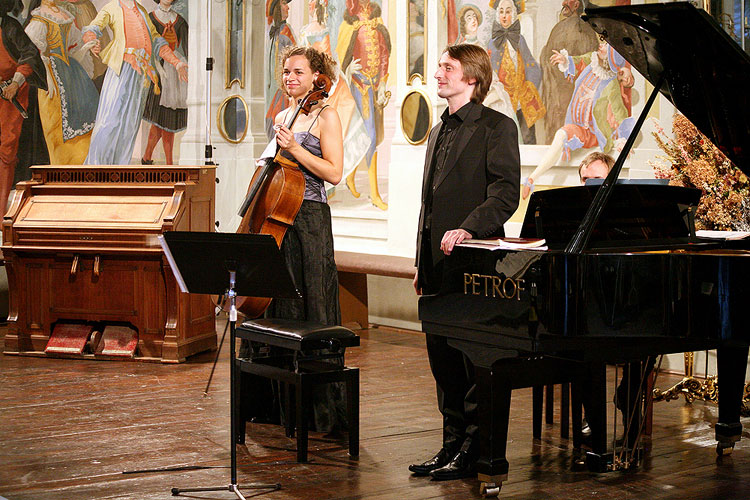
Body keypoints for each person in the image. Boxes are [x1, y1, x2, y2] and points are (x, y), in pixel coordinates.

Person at [410, 43, 520, 481]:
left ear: (471, 79)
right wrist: (421, 260)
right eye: (440, 66)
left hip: (474, 265)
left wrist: (471, 228)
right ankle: (451, 443)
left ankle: (475, 448)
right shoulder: (438, 131)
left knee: (472, 361)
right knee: (442, 362)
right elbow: (429, 206)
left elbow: (505, 193)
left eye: (447, 68)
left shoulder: (497, 127)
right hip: (437, 265)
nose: (438, 74)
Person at [242, 45, 348, 434]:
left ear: (317, 76)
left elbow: (334, 173)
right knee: (279, 305)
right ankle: (274, 408)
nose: (290, 78)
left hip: (310, 223)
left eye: (299, 72)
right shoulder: (285, 114)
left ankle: (317, 412)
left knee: (311, 300)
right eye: (286, 72)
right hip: (280, 222)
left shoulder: (327, 115)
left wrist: (294, 147)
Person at [522, 38, 634, 199]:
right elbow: (580, 59)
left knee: (562, 136)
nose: (600, 46)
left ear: (611, 56)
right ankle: (532, 178)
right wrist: (565, 60)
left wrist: (623, 139)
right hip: (576, 124)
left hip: (590, 132)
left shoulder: (611, 84)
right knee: (560, 135)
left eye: (605, 46)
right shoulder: (593, 61)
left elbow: (619, 111)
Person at [82, 0, 188, 165]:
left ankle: (118, 168)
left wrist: (177, 63)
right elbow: (94, 27)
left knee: (130, 125)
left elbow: (157, 41)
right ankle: (97, 166)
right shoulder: (112, 7)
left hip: (140, 75)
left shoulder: (143, 12)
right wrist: (92, 41)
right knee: (111, 119)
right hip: (122, 68)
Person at [25, 0, 99, 165]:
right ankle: (61, 168)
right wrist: (47, 77)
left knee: (87, 117)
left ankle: (82, 167)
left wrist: (85, 48)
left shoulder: (65, 15)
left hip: (72, 74)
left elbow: (71, 53)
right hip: (51, 78)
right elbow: (33, 54)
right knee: (56, 125)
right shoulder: (39, 19)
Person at [336, 0, 390, 210]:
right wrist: (348, 70)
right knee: (368, 136)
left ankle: (353, 179)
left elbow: (384, 55)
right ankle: (374, 193)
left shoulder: (378, 22)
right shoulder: (349, 24)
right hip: (358, 85)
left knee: (369, 135)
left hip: (375, 86)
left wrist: (384, 81)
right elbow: (341, 59)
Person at [0, 0, 46, 212]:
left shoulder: (10, 27)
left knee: (6, 150)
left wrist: (16, 82)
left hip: (11, 95)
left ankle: (1, 216)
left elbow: (29, 56)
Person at [487, 0, 545, 144]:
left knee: (528, 138)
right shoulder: (491, 43)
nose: (504, 16)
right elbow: (488, 71)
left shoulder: (520, 40)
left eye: (508, 12)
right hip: (503, 100)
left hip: (523, 97)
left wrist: (530, 86)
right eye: (501, 12)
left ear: (513, 14)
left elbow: (532, 65)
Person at [141, 0, 188, 166]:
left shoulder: (180, 21)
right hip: (156, 70)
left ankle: (153, 159)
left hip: (175, 70)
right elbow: (146, 44)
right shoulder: (150, 18)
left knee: (166, 119)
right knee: (160, 119)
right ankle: (162, 162)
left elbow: (188, 48)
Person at [265, 0, 295, 140]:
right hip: (272, 87)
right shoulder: (273, 32)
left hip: (281, 88)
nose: (287, 7)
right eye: (284, 3)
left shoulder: (286, 31)